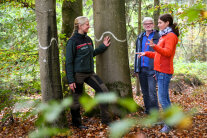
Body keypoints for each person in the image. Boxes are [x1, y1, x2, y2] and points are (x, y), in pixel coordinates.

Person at [66, 16, 111, 129]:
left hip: (90, 73)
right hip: (78, 75)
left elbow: (91, 53)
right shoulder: (72, 41)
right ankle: (77, 123)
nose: (89, 25)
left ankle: (106, 120)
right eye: (87, 24)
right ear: (80, 26)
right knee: (76, 100)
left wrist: (103, 46)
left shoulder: (88, 39)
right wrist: (71, 80)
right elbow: (69, 62)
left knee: (104, 91)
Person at [137, 13, 179, 133]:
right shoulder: (163, 35)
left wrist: (154, 46)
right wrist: (146, 53)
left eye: (160, 22)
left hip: (164, 72)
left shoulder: (170, 36)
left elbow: (168, 53)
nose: (158, 24)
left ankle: (169, 124)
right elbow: (159, 54)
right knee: (165, 98)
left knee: (163, 99)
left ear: (167, 23)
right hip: (160, 71)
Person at [134, 17, 159, 114]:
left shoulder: (158, 36)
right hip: (142, 69)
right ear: (143, 25)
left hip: (152, 69)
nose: (148, 25)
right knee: (145, 93)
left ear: (153, 24)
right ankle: (148, 111)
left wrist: (158, 70)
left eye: (150, 23)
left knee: (152, 93)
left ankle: (155, 114)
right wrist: (137, 69)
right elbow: (137, 53)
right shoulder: (140, 37)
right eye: (146, 24)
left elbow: (161, 54)